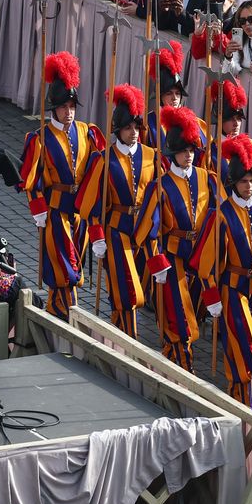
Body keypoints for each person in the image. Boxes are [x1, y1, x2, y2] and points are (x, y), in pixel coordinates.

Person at [196, 134, 252, 408]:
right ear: (234, 182)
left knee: (244, 345)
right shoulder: (221, 214)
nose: (249, 186)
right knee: (245, 346)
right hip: (232, 290)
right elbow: (206, 261)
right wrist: (212, 296)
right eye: (244, 181)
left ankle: (239, 393)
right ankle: (245, 400)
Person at [19, 51, 101, 319]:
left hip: (80, 209)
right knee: (65, 263)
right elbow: (30, 179)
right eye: (64, 107)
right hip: (55, 209)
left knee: (74, 256)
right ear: (54, 108)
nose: (69, 112)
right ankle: (67, 311)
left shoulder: (86, 132)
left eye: (73, 106)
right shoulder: (40, 138)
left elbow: (96, 168)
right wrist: (38, 208)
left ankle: (57, 306)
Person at [139, 106, 219, 370]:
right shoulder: (160, 186)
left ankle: (171, 357)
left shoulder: (207, 179)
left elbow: (222, 216)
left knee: (193, 314)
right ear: (173, 153)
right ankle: (184, 366)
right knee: (180, 319)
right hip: (173, 259)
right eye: (184, 151)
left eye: (192, 150)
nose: (189, 155)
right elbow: (150, 231)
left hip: (201, 258)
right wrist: (157, 263)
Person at [74, 83, 156, 337]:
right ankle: (128, 337)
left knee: (143, 286)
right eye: (128, 128)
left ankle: (119, 326)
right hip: (116, 229)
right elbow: (90, 203)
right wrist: (97, 234)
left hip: (144, 231)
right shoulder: (103, 159)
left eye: (136, 127)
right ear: (118, 130)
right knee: (126, 287)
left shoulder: (152, 156)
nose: (133, 133)